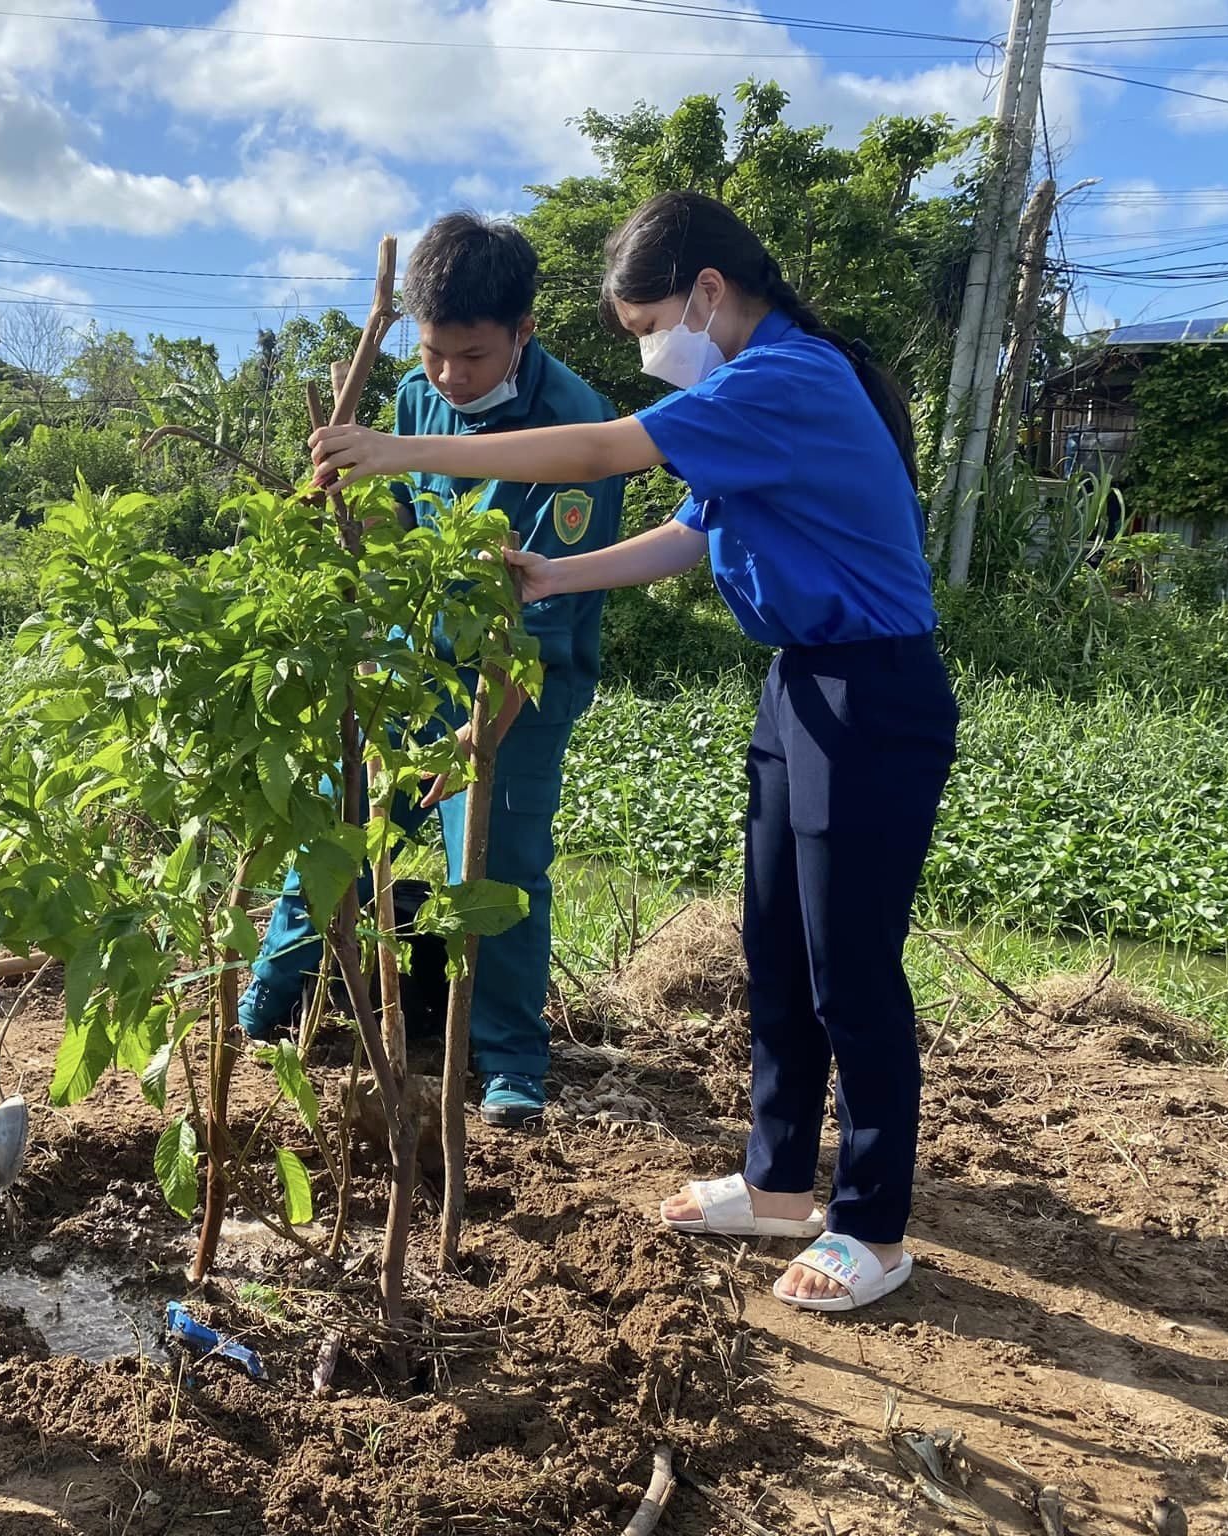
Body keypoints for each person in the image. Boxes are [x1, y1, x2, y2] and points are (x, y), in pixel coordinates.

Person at [309, 191, 958, 1314]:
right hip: (801, 681)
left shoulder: (786, 376)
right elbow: (696, 529)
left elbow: (603, 449)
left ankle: (871, 1224)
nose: (649, 352)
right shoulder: (744, 390)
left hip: (875, 690)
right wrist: (558, 574)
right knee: (777, 945)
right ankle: (773, 1180)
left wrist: (392, 448)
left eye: (645, 325)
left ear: (705, 293)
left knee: (849, 964)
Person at [238, 212, 625, 1129]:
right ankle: (266, 1003)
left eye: (474, 356)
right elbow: (400, 540)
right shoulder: (415, 396)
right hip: (414, 673)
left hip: (519, 686)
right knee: (338, 832)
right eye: (435, 351)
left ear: (524, 333)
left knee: (494, 870)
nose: (450, 376)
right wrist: (355, 537)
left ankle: (507, 1060)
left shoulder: (579, 430)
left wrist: (474, 738)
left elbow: (545, 617)